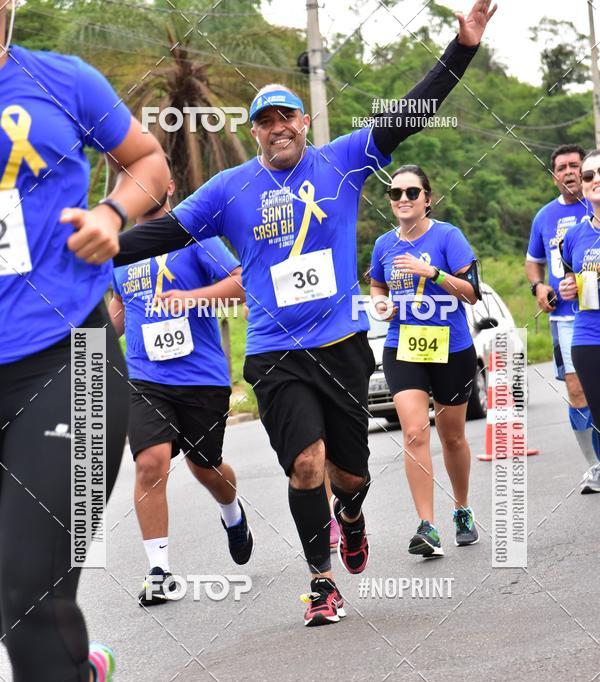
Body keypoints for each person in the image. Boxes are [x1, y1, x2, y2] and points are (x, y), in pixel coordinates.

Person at [115, 2, 498, 625]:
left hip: (342, 342)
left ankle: (351, 515)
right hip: (275, 351)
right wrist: (88, 246)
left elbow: (412, 111)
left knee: (349, 476)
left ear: (304, 119)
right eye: (264, 122)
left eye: (286, 116)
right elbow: (163, 235)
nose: (277, 128)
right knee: (306, 464)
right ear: (258, 131)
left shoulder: (343, 159)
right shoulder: (230, 187)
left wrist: (461, 49)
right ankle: (321, 582)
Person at [0, 0, 169, 682]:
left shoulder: (59, 80)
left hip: (72, 358)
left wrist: (113, 209)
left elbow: (150, 162)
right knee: (26, 597)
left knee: (29, 589)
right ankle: (82, 674)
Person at [110, 174, 253, 606]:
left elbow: (241, 281)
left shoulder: (193, 234)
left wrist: (194, 298)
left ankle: (232, 512)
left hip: (202, 377)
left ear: (169, 186)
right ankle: (159, 571)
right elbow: (118, 310)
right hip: (145, 376)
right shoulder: (121, 249)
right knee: (150, 463)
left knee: (204, 467)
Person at [369, 165, 480, 557]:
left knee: (451, 436)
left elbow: (471, 293)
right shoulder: (384, 245)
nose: (403, 199)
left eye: (412, 192)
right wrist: (380, 304)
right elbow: (377, 285)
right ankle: (427, 527)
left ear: (427, 198)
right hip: (404, 346)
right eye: (396, 192)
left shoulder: (448, 236)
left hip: (451, 347)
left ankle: (462, 509)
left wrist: (432, 272)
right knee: (415, 432)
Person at [525, 144, 599, 493]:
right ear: (554, 175)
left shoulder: (593, 204)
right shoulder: (545, 217)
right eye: (563, 168)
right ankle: (594, 465)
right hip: (570, 319)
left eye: (576, 166)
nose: (570, 173)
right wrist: (539, 286)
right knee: (578, 392)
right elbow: (534, 261)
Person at [559, 149, 600, 475]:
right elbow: (570, 280)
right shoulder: (573, 236)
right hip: (588, 334)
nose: (594, 180)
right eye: (589, 176)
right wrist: (566, 288)